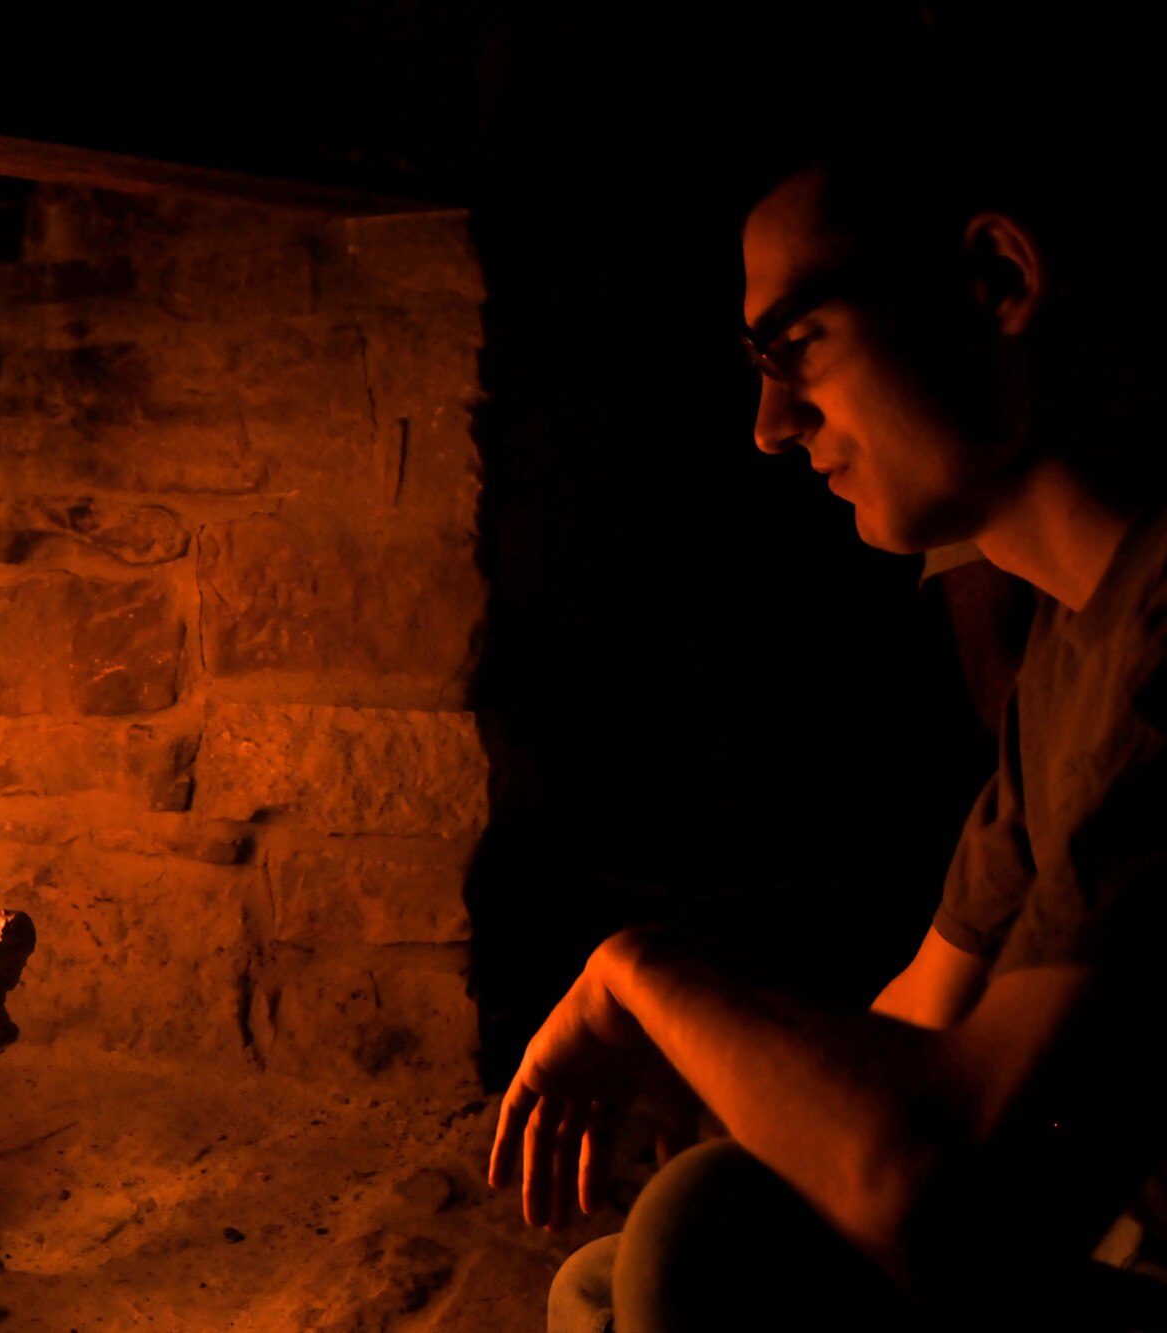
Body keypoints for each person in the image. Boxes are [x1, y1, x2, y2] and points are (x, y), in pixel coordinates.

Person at [491, 106, 1167, 1333]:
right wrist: (721, 1082)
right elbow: (922, 1012)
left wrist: (641, 972)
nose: (767, 427)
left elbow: (937, 1177)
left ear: (995, 280)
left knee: (702, 1243)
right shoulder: (1076, 640)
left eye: (796, 344)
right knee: (614, 1270)